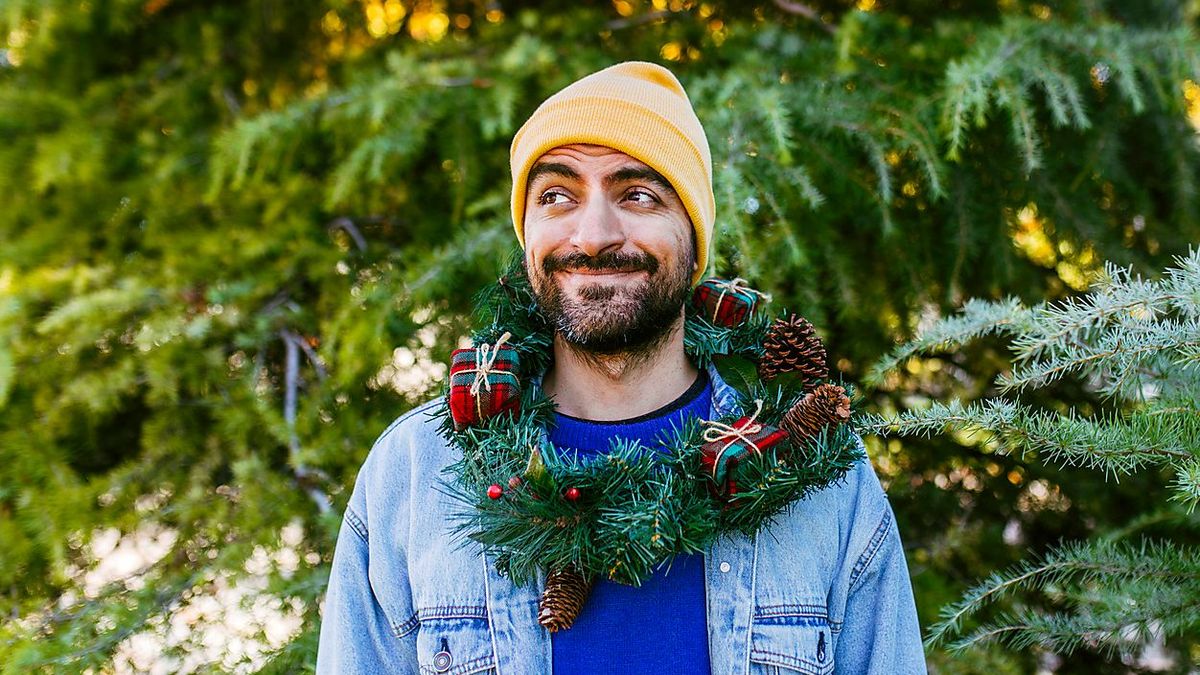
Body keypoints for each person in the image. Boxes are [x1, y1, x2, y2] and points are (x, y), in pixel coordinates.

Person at [316, 61, 925, 674]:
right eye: (556, 196)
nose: (595, 234)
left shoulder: (815, 477)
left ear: (692, 237)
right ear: (525, 232)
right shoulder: (415, 473)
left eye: (638, 194)